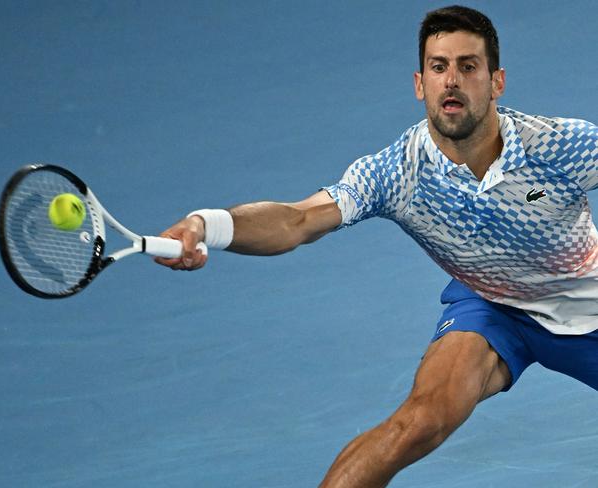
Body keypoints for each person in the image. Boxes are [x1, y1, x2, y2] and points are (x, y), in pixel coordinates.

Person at [155, 5, 598, 487]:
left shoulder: (557, 146)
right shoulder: (395, 173)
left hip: (587, 305)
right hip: (493, 306)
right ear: (419, 83)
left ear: (496, 82)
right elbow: (298, 219)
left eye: (468, 66)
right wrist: (207, 224)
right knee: (418, 422)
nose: (452, 80)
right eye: (438, 66)